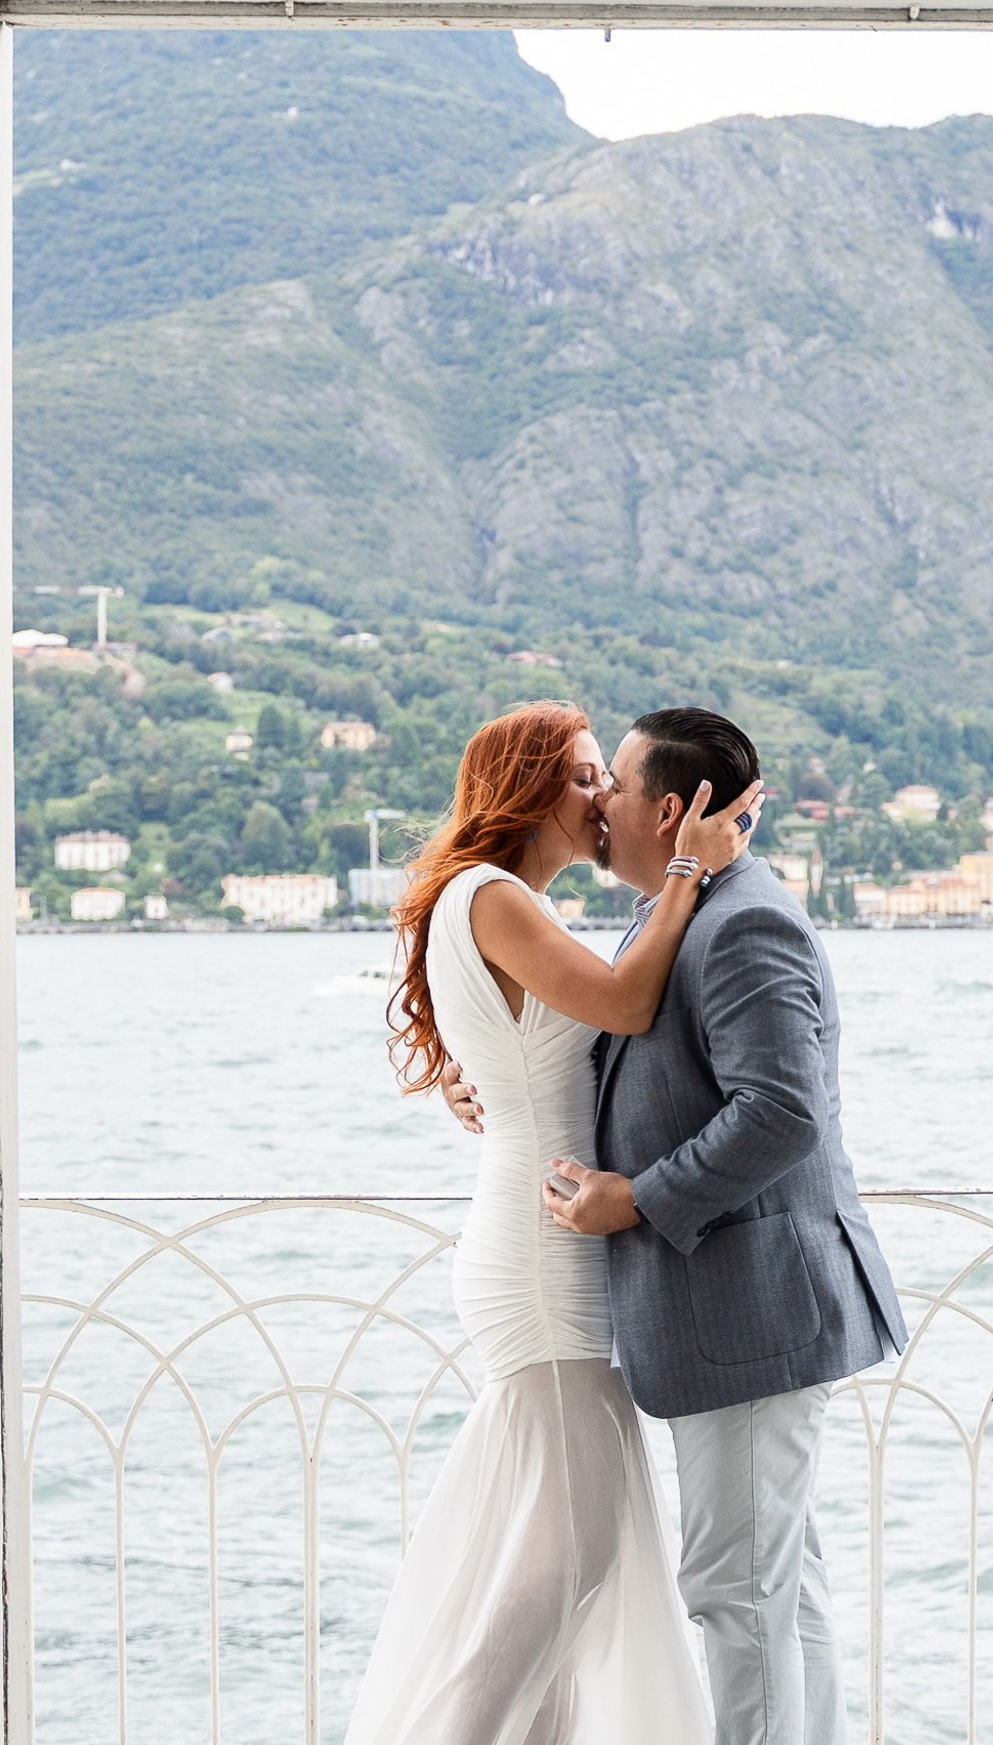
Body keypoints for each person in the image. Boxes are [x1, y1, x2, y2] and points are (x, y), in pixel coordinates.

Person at [452, 706, 906, 1745]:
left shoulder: (740, 920)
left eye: (611, 782)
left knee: (737, 1591)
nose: (599, 802)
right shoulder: (679, 908)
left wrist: (639, 1198)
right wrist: (482, 1085)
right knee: (776, 1587)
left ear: (667, 810)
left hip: (753, 1309)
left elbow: (783, 1110)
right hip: (731, 1308)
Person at [353, 699, 761, 1745]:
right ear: (526, 789)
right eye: (582, 776)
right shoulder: (493, 895)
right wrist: (689, 868)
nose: (603, 795)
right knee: (574, 1556)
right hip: (542, 1258)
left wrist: (471, 1085)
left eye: (602, 775)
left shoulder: (495, 900)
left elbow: (527, 1052)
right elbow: (624, 1004)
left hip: (539, 1235)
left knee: (565, 1552)